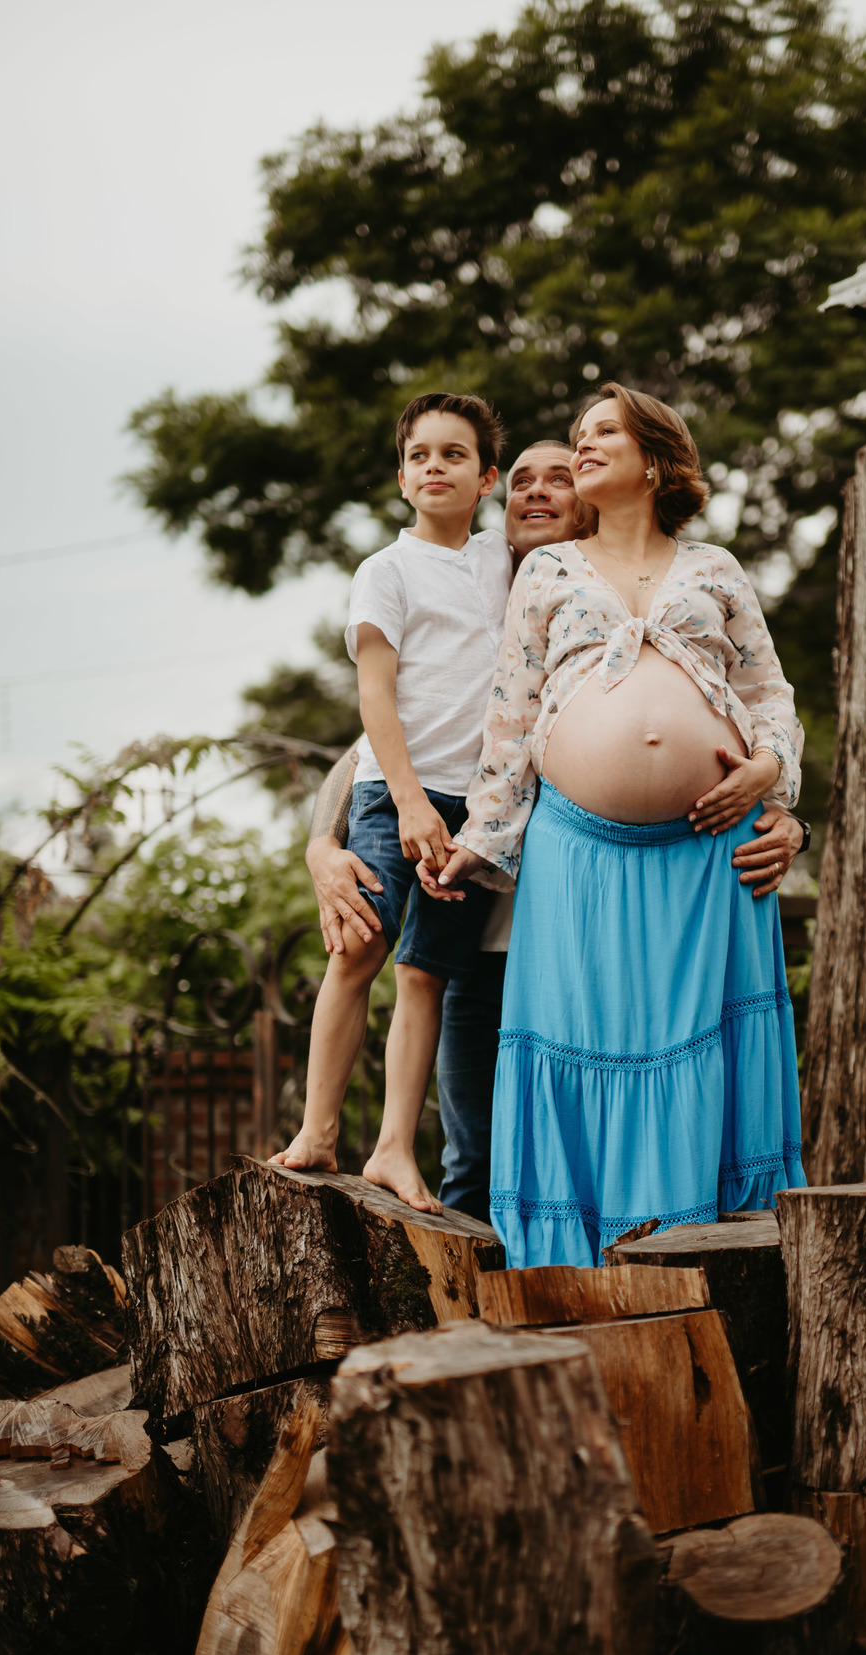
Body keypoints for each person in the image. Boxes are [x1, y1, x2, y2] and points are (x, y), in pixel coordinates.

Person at [304, 438, 808, 1221]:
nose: (538, 492)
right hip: (485, 929)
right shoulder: (484, 590)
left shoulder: (618, 586)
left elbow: (747, 699)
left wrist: (787, 818)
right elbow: (372, 745)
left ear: (590, 502)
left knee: (632, 1116)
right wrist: (322, 841)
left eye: (561, 477)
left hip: (611, 909)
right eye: (524, 481)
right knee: (480, 1154)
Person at [423, 382, 807, 1266]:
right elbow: (512, 714)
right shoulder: (549, 572)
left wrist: (769, 775)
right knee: (575, 1043)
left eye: (604, 432)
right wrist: (481, 840)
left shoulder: (715, 567)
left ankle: (717, 1268)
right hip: (576, 856)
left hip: (710, 857)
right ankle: (574, 1277)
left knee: (710, 1044)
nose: (582, 446)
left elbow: (769, 695)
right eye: (578, 434)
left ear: (657, 459)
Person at [270, 391, 508, 1211]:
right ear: (402, 478)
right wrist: (408, 803)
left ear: (487, 478)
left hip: (477, 814)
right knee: (358, 948)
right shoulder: (386, 571)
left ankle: (395, 1149)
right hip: (395, 792)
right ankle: (317, 1131)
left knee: (425, 974)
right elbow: (374, 696)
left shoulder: (503, 560)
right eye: (419, 456)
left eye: (454, 454)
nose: (435, 466)